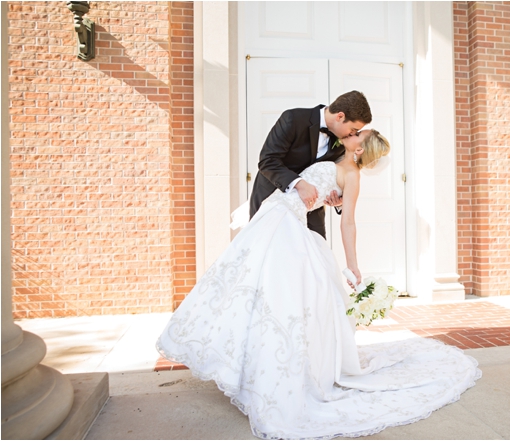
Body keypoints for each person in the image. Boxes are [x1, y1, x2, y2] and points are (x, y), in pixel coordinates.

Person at [157, 127, 481, 439]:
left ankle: (277, 374)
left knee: (282, 299)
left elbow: (349, 223)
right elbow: (308, 181)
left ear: (360, 149)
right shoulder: (337, 158)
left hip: (289, 223)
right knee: (245, 287)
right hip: (276, 212)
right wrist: (328, 198)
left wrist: (353, 267)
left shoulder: (351, 175)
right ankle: (243, 362)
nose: (352, 134)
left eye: (358, 136)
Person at [249, 90, 372, 240]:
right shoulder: (293, 119)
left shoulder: (343, 143)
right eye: (353, 129)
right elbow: (267, 161)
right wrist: (299, 184)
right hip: (273, 203)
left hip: (312, 215)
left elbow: (340, 174)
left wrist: (339, 200)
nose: (352, 134)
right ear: (340, 116)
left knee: (313, 258)